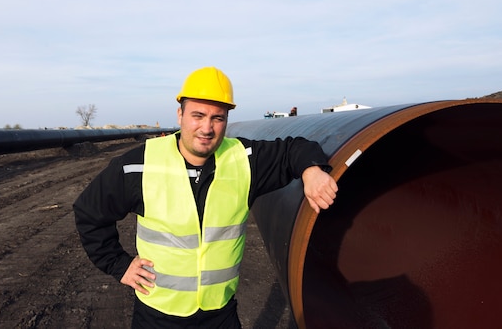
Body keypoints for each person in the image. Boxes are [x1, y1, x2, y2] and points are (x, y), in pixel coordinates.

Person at [73, 66, 338, 328]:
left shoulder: (244, 159)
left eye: (217, 118)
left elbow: (295, 148)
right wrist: (118, 264)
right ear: (180, 114)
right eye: (197, 115)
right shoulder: (140, 165)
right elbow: (89, 212)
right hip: (158, 314)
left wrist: (311, 170)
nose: (207, 128)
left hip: (219, 313)